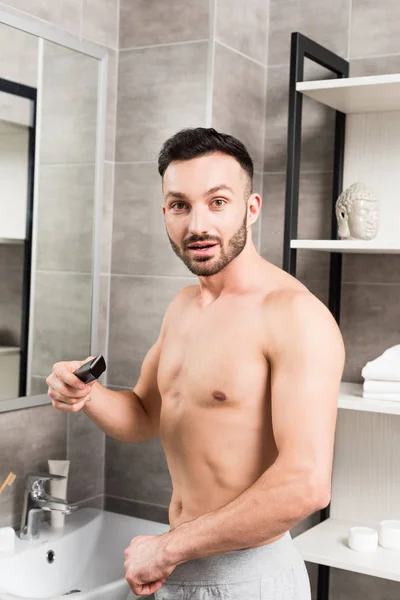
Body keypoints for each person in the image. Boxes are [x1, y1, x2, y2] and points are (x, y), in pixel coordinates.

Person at [46, 128, 345, 599]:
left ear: (251, 208)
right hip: (177, 568)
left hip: (248, 576)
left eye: (218, 202)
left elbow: (306, 485)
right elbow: (146, 416)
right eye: (180, 205)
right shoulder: (184, 306)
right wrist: (88, 396)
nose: (197, 225)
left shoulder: (294, 315)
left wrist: (166, 549)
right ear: (165, 212)